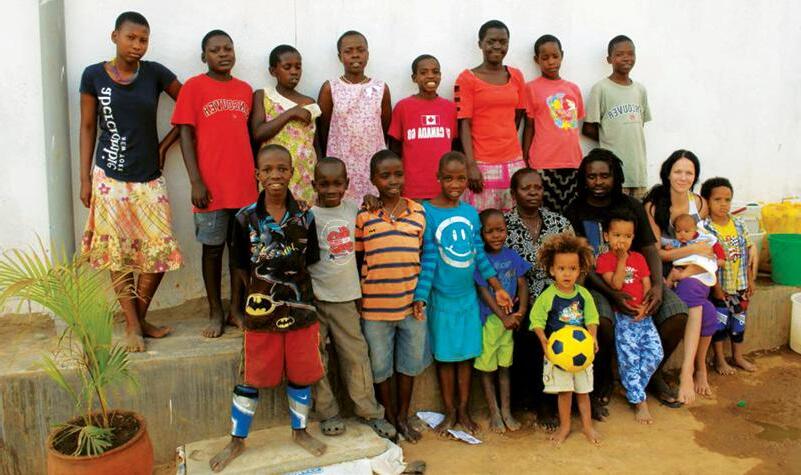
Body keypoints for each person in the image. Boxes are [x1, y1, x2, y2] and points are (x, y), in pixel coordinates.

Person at [208, 144, 326, 472]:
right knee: (250, 376)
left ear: (292, 173)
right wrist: (248, 301)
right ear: (257, 175)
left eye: (282, 169)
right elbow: (239, 265)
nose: (276, 175)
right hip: (260, 312)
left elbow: (310, 260)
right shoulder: (244, 218)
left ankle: (300, 431)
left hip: (301, 310)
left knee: (301, 375)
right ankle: (237, 439)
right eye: (268, 170)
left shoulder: (305, 216)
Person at [79, 11, 182, 352]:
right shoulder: (93, 76)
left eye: (143, 40)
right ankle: (134, 325)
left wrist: (165, 146)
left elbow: (190, 108)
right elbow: (87, 127)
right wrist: (84, 180)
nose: (137, 45)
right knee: (117, 254)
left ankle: (138, 319)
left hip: (148, 176)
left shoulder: (154, 73)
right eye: (131, 38)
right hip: (109, 177)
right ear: (115, 37)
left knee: (160, 251)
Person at [563, 149, 688, 412]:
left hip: (637, 278)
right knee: (602, 321)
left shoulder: (631, 206)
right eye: (592, 176)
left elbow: (650, 248)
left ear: (616, 176)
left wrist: (657, 286)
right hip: (597, 282)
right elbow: (581, 264)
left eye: (605, 176)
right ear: (584, 179)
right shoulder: (575, 210)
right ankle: (606, 378)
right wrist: (612, 294)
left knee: (677, 313)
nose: (598, 182)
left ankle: (652, 374)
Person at [412, 151, 513, 435]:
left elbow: (479, 256)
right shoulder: (427, 212)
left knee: (467, 357)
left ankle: (465, 411)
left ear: (467, 179)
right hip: (441, 300)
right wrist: (421, 295)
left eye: (461, 179)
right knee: (445, 359)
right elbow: (428, 259)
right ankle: (450, 412)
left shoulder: (470, 213)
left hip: (468, 300)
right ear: (438, 178)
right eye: (448, 178)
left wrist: (498, 288)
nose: (455, 184)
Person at [171, 30, 256, 338]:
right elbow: (184, 135)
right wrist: (196, 181)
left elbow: (249, 136)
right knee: (212, 250)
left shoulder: (245, 90)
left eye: (228, 48)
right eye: (215, 50)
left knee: (241, 252)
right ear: (203, 56)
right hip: (210, 187)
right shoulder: (194, 87)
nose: (223, 54)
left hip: (244, 187)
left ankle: (236, 309)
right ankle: (215, 311)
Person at [307, 156, 396, 440]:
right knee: (315, 357)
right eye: (324, 184)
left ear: (347, 184)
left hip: (346, 299)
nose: (331, 190)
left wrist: (371, 200)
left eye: (337, 183)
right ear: (314, 185)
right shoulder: (308, 216)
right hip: (315, 299)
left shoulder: (355, 211)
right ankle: (327, 411)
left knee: (356, 356)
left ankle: (370, 412)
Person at [356, 150, 430, 442]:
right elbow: (358, 259)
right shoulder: (364, 215)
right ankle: (387, 417)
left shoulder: (418, 212)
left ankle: (402, 416)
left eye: (398, 174)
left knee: (409, 365)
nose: (392, 181)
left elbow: (424, 256)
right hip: (375, 308)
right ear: (373, 179)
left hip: (412, 306)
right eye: (385, 176)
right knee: (380, 366)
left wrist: (420, 296)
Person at [503, 167, 573, 429]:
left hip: (557, 296)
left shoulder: (559, 224)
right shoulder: (503, 225)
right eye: (526, 188)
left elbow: (577, 264)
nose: (533, 192)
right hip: (517, 298)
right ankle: (528, 399)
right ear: (513, 193)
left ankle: (550, 403)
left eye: (537, 187)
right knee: (527, 334)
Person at [643, 149, 710, 403]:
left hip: (693, 268)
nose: (683, 177)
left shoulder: (699, 204)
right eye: (678, 171)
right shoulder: (653, 206)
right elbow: (657, 253)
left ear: (695, 176)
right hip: (664, 269)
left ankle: (692, 371)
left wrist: (697, 255)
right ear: (667, 173)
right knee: (697, 304)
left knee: (701, 301)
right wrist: (693, 249)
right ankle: (688, 373)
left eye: (689, 173)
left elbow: (704, 242)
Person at [530, 233, 600, 446]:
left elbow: (592, 318)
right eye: (561, 268)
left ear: (580, 270)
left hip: (582, 354)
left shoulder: (583, 295)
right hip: (558, 356)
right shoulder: (548, 296)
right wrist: (543, 341)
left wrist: (593, 338)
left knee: (584, 392)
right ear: (552, 270)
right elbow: (536, 320)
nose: (567, 273)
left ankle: (587, 426)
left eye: (572, 268)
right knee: (565, 393)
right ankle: (565, 426)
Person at [594, 209, 663, 424]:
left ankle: (632, 387)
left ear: (633, 237)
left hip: (643, 316)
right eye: (617, 235)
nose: (621, 241)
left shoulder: (639, 258)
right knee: (630, 359)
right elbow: (615, 285)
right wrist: (622, 260)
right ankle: (639, 401)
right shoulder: (604, 260)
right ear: (606, 236)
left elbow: (646, 284)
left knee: (655, 354)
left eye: (627, 236)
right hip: (624, 319)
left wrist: (645, 307)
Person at [455, 20, 526, 210]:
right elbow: (463, 123)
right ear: (480, 44)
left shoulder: (516, 76)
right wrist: (471, 164)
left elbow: (518, 116)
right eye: (491, 41)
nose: (497, 46)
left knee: (514, 219)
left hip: (514, 162)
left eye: (503, 42)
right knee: (484, 221)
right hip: (481, 164)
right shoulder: (467, 78)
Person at [474, 208, 530, 433]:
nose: (496, 236)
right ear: (481, 234)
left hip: (509, 322)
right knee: (487, 368)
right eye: (490, 231)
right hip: (490, 321)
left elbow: (522, 284)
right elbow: (484, 292)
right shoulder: (481, 259)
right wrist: (503, 317)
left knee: (505, 366)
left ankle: (506, 411)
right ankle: (494, 412)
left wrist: (521, 311)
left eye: (501, 230)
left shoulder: (512, 256)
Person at [318, 31, 391, 200]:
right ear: (340, 56)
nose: (355, 55)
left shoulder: (381, 88)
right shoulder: (331, 88)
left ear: (368, 54)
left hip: (372, 165)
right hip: (340, 166)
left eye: (360, 50)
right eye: (348, 51)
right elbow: (323, 129)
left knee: (371, 210)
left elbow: (385, 127)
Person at [701, 177, 759, 374]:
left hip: (740, 284)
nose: (723, 204)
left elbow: (746, 255)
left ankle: (737, 356)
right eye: (717, 199)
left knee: (739, 322)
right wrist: (716, 288)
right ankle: (719, 359)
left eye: (727, 199)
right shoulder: (706, 228)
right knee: (719, 324)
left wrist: (750, 280)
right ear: (707, 201)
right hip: (721, 286)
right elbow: (709, 262)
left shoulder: (738, 224)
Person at [522, 34, 585, 214]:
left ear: (562, 55)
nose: (551, 62)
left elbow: (574, 124)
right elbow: (529, 126)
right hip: (543, 163)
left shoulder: (573, 89)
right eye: (545, 58)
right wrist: (525, 159)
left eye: (555, 56)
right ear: (536, 60)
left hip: (573, 162)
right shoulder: (531, 88)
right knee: (544, 216)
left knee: (570, 216)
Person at [582, 35, 651, 198]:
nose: (626, 58)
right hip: (614, 173)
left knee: (637, 211)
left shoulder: (640, 90)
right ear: (609, 59)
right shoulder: (601, 89)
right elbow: (588, 129)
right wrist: (610, 139)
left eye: (630, 53)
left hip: (638, 172)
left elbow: (638, 126)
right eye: (619, 54)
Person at [251, 45, 320, 203]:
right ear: (273, 71)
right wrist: (290, 113)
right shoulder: (263, 96)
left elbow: (315, 142)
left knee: (303, 215)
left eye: (298, 67)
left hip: (305, 174)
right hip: (275, 175)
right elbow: (258, 133)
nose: (294, 71)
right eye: (287, 67)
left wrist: (319, 170)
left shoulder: (309, 102)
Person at [388, 54, 457, 200]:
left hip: (444, 188)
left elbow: (455, 147)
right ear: (414, 78)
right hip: (412, 188)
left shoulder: (450, 108)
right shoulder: (403, 107)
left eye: (435, 72)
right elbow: (394, 150)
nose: (430, 76)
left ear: (440, 75)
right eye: (423, 72)